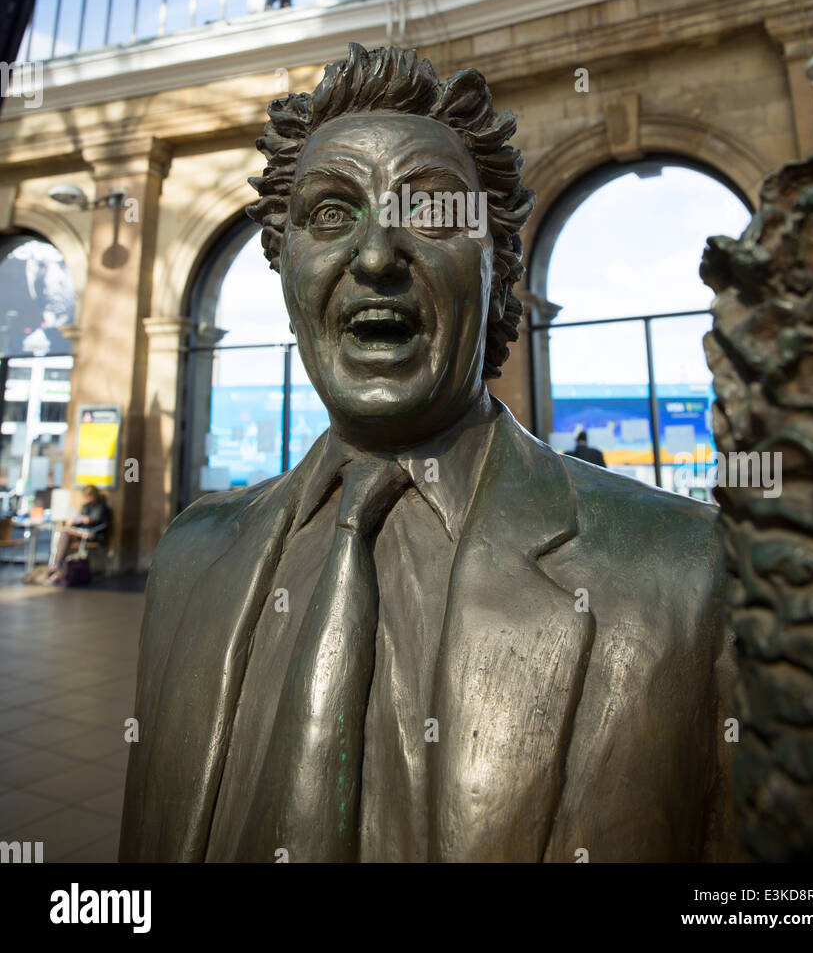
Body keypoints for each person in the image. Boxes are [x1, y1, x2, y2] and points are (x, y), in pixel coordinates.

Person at [120, 43, 733, 864]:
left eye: (435, 212)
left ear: (499, 269)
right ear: (286, 271)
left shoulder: (685, 571)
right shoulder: (192, 560)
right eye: (331, 214)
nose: (375, 257)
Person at [48, 484, 111, 580]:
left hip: (94, 533)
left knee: (66, 535)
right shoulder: (85, 506)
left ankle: (58, 564)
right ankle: (58, 563)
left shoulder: (101, 507)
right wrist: (74, 521)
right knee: (64, 533)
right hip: (82, 532)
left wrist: (89, 520)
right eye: (86, 496)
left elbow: (100, 521)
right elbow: (80, 519)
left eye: (89, 496)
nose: (87, 498)